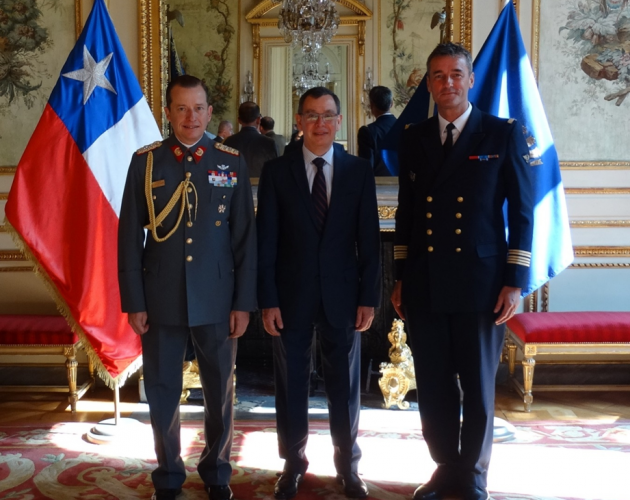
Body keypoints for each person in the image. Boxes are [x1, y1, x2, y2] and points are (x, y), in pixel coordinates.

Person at [390, 42, 533, 500]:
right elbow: (407, 213)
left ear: (471, 80)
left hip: (481, 283)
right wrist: (400, 276)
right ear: (428, 84)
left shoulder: (501, 133)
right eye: (438, 75)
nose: (447, 83)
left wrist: (514, 281)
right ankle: (445, 468)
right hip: (426, 280)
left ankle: (473, 474)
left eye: (456, 74)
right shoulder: (413, 136)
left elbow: (523, 212)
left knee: (476, 384)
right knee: (433, 385)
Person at [118, 74, 257, 500]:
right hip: (160, 296)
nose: (190, 117)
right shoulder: (146, 162)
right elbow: (128, 238)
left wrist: (243, 303)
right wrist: (134, 301)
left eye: (198, 108)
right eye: (181, 108)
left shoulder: (230, 161)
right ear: (168, 113)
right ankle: (168, 475)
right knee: (162, 391)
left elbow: (244, 238)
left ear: (210, 112)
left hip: (217, 298)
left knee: (220, 391)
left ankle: (216, 471)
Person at [257, 87, 381, 500]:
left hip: (344, 298)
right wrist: (268, 300)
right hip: (289, 299)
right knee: (291, 385)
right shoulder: (277, 171)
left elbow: (369, 240)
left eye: (328, 115)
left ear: (339, 121)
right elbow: (266, 242)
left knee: (344, 389)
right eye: (311, 115)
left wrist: (369, 298)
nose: (320, 123)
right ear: (298, 121)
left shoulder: (358, 171)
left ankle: (348, 467)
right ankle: (292, 465)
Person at [224, 101, 277, 177]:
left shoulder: (228, 142)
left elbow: (223, 170)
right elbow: (274, 171)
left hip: (235, 184)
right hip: (261, 184)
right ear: (258, 120)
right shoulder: (269, 143)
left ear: (239, 120)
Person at [357, 86, 396, 176]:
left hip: (378, 183)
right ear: (391, 104)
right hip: (403, 183)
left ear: (371, 105)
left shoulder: (366, 132)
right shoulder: (405, 128)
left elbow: (366, 167)